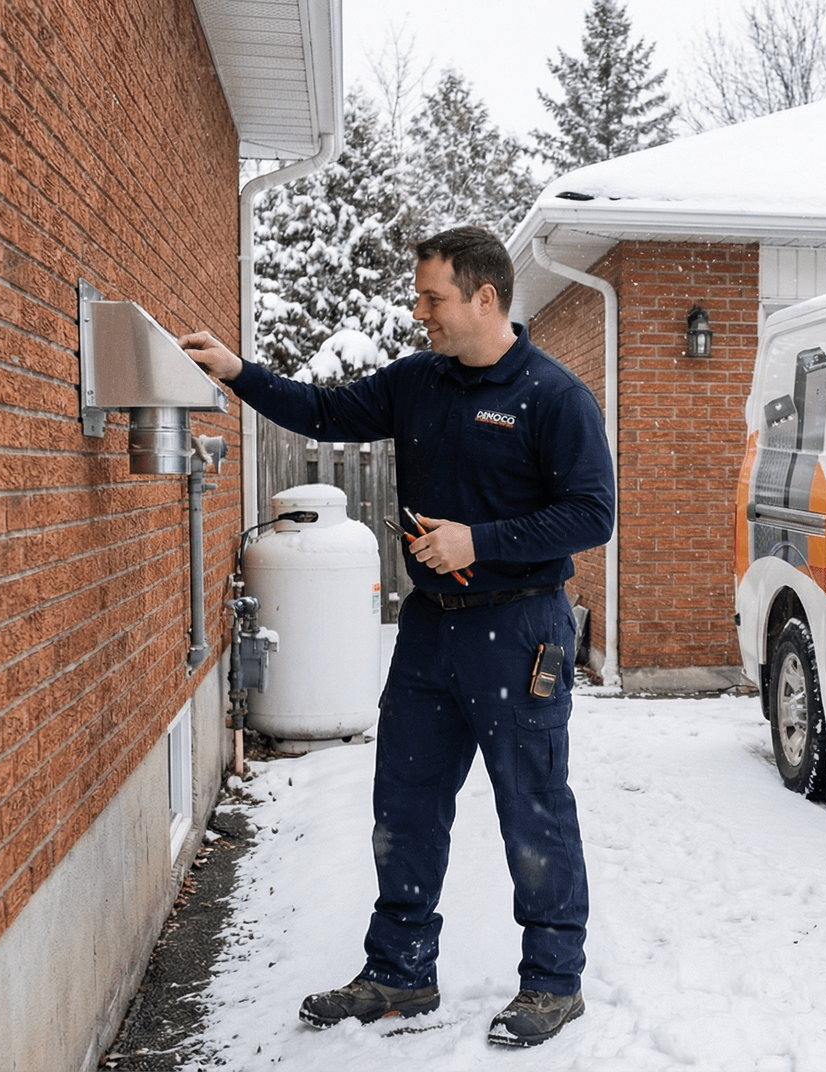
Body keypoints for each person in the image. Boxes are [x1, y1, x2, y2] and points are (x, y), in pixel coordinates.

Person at [180, 225, 614, 1048]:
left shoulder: (553, 398)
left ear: (485, 297)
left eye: (432, 297)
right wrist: (240, 374)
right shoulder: (421, 381)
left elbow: (593, 513)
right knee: (404, 804)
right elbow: (328, 409)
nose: (419, 312)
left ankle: (553, 981)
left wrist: (477, 542)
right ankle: (401, 972)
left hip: (520, 628)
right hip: (428, 634)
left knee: (533, 807)